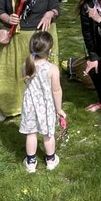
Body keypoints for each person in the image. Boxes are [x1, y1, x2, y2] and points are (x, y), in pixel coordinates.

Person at [0, 0, 61, 121]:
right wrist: (7, 18)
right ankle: (8, 105)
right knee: (13, 72)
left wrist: (49, 14)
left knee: (41, 73)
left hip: (40, 37)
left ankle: (45, 102)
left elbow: (56, 8)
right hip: (17, 36)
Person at [19, 31, 66, 173]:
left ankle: (31, 162)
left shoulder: (25, 65)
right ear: (50, 50)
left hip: (30, 105)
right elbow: (56, 90)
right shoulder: (53, 69)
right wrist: (59, 109)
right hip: (46, 106)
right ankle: (50, 160)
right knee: (48, 134)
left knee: (31, 133)